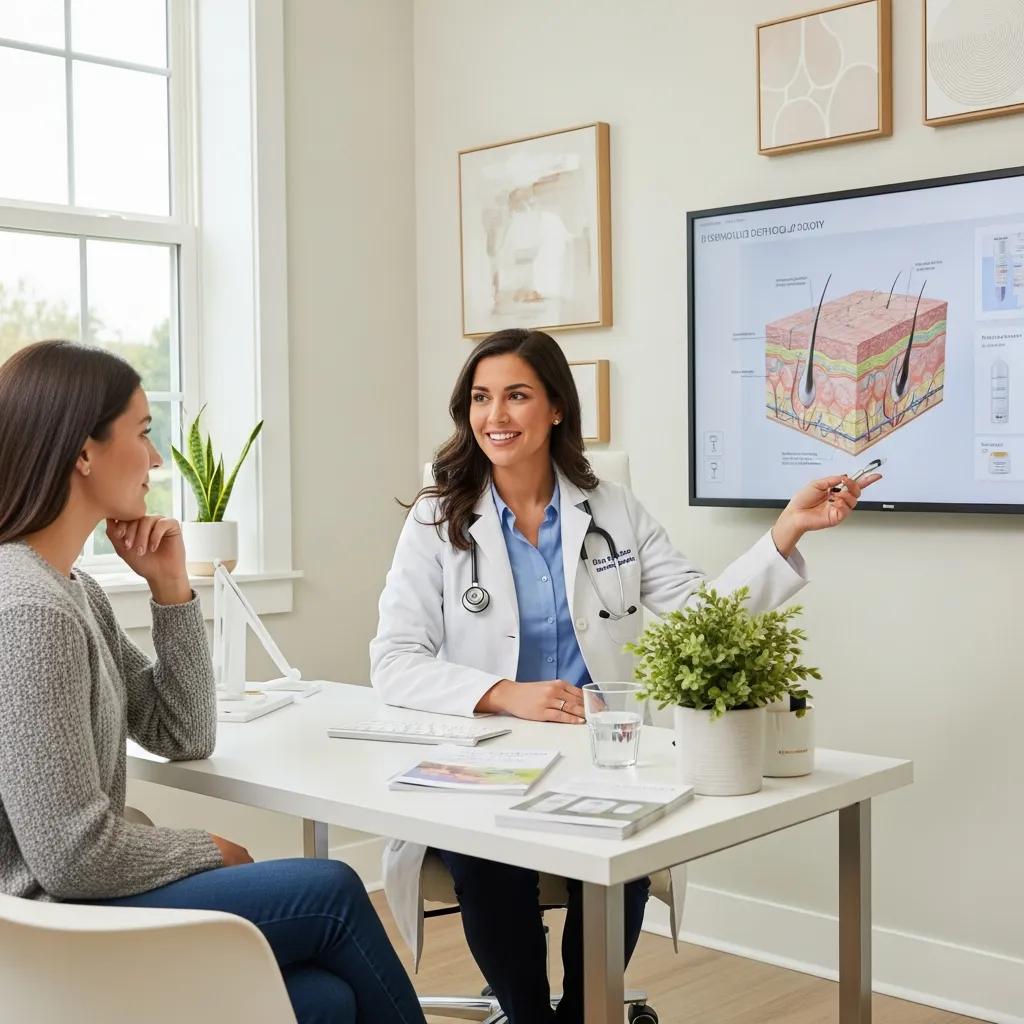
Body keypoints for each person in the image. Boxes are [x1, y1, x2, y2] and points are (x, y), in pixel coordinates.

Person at [370, 328, 879, 1024]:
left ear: (555, 408)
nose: (496, 416)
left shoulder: (610, 508)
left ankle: (586, 1012)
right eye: (482, 399)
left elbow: (704, 616)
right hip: (487, 755)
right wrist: (504, 694)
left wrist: (786, 530)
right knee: (490, 857)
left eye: (516, 396)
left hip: (601, 752)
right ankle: (527, 1015)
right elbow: (394, 659)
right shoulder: (438, 518)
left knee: (625, 851)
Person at [0, 341, 426, 1024]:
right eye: (143, 434)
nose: (159, 459)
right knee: (333, 891)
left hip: (77, 908)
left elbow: (183, 733)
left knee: (325, 1000)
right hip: (51, 930)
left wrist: (172, 590)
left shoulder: (71, 590)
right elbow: (71, 856)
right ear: (83, 453)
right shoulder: (28, 608)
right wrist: (207, 848)